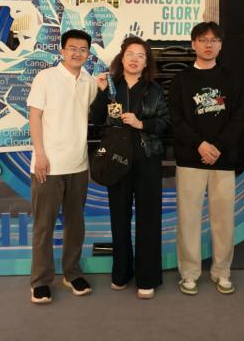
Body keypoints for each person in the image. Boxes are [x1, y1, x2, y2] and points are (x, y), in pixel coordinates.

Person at [169, 22, 244, 295]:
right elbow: (176, 119)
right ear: (193, 44)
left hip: (223, 161)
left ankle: (222, 271)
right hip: (190, 160)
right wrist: (200, 145)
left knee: (223, 220)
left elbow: (239, 118)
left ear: (221, 45)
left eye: (214, 40)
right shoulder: (181, 80)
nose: (208, 44)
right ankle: (189, 273)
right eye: (203, 40)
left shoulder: (231, 78)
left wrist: (218, 147)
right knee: (188, 219)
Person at [91, 36, 170, 299]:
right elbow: (97, 120)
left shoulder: (155, 89)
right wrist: (101, 92)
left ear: (147, 62)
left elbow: (165, 122)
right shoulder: (111, 86)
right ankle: (121, 273)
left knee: (149, 219)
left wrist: (141, 124)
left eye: (141, 55)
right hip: (117, 161)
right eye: (130, 54)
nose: (135, 59)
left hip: (148, 160)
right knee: (119, 218)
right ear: (121, 58)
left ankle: (147, 278)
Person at [27, 29, 99, 304]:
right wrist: (40, 154)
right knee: (43, 227)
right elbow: (35, 116)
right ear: (62, 51)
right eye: (72, 48)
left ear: (88, 54)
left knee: (75, 224)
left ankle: (72, 273)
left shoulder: (89, 81)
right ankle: (40, 281)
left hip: (78, 164)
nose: (77, 53)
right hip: (48, 164)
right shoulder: (45, 77)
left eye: (83, 49)